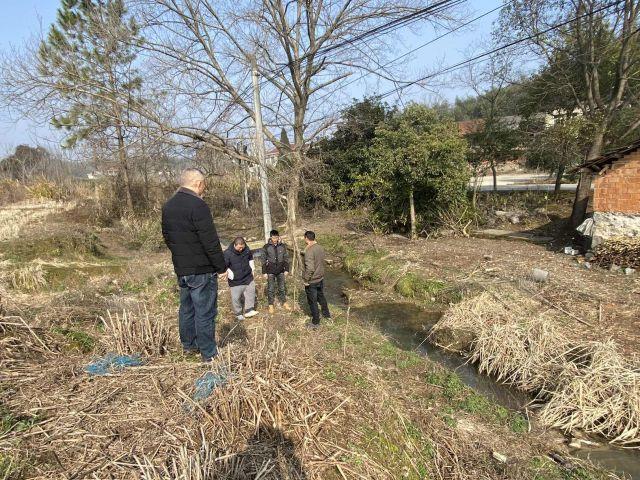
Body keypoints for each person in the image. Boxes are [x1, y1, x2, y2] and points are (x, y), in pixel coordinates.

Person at [161, 168, 226, 363]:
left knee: (187, 308)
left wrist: (180, 259)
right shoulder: (198, 206)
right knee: (205, 311)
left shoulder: (168, 206)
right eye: (204, 184)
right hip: (202, 269)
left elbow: (168, 237)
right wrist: (221, 267)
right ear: (198, 183)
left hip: (182, 268)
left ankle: (189, 345)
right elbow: (210, 241)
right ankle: (209, 353)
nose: (204, 188)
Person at [224, 237, 259, 321]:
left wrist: (252, 269)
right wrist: (229, 274)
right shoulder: (227, 253)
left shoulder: (246, 249)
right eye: (239, 247)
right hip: (235, 279)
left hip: (247, 276)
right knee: (236, 298)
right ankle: (238, 313)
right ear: (234, 245)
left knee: (251, 292)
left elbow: (250, 258)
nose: (241, 249)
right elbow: (224, 266)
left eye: (242, 247)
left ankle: (249, 310)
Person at [302, 231, 330, 329]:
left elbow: (310, 268)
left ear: (306, 238)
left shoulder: (309, 251)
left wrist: (306, 280)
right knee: (321, 297)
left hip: (312, 280)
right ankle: (326, 315)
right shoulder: (320, 247)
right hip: (320, 278)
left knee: (312, 301)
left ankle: (315, 322)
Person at [261, 229, 291, 314]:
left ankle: (284, 302)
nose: (275, 239)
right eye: (274, 237)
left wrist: (287, 269)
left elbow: (286, 258)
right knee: (271, 289)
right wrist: (264, 272)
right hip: (270, 271)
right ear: (271, 237)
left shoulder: (283, 246)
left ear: (278, 237)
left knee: (282, 288)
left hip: (281, 270)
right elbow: (263, 260)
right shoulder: (266, 247)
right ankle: (271, 304)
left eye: (277, 237)